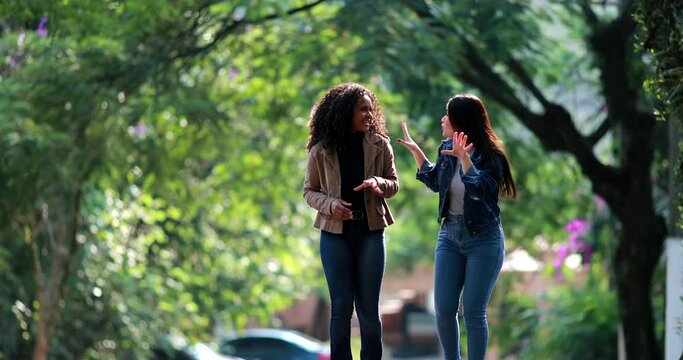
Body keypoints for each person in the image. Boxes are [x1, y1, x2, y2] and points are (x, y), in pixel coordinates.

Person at [396, 94, 516, 360]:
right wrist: (418, 152)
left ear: (460, 121)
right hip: (449, 236)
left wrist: (465, 159)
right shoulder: (447, 148)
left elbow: (482, 191)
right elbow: (438, 183)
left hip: (483, 240)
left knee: (473, 312)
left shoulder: (490, 156)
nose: (442, 120)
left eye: (447, 115)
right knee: (444, 309)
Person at [303, 82, 399, 360]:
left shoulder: (380, 145)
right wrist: (331, 205)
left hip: (370, 231)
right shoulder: (321, 150)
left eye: (371, 109)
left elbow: (394, 183)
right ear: (346, 112)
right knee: (341, 307)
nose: (369, 115)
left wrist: (380, 183)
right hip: (334, 234)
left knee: (368, 310)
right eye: (362, 109)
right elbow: (309, 191)